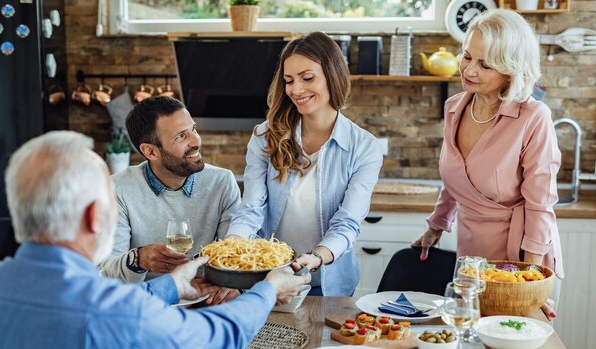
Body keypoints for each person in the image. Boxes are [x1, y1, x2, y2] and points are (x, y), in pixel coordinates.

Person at [0, 131, 310, 349]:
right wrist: (268, 289)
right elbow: (217, 336)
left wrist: (172, 287)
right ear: (94, 217)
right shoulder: (116, 314)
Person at [411, 9, 563, 315]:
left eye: (486, 64)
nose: (469, 70)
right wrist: (436, 227)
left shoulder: (533, 118)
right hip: (471, 258)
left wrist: (527, 277)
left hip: (520, 255)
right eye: (467, 57)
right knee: (470, 344)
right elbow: (456, 181)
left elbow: (539, 205)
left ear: (512, 69)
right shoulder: (455, 107)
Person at [226, 32, 383, 296]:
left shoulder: (363, 147)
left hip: (328, 284)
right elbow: (252, 207)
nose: (296, 90)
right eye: (289, 81)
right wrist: (231, 247)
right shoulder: (266, 137)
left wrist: (317, 257)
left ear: (333, 75)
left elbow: (347, 222)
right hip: (268, 279)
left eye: (307, 78)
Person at [99, 96, 241, 304]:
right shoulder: (118, 188)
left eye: (193, 129)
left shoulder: (222, 182)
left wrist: (233, 284)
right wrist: (139, 259)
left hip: (208, 304)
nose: (196, 141)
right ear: (150, 151)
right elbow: (107, 271)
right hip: (146, 306)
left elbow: (236, 257)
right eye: (181, 136)